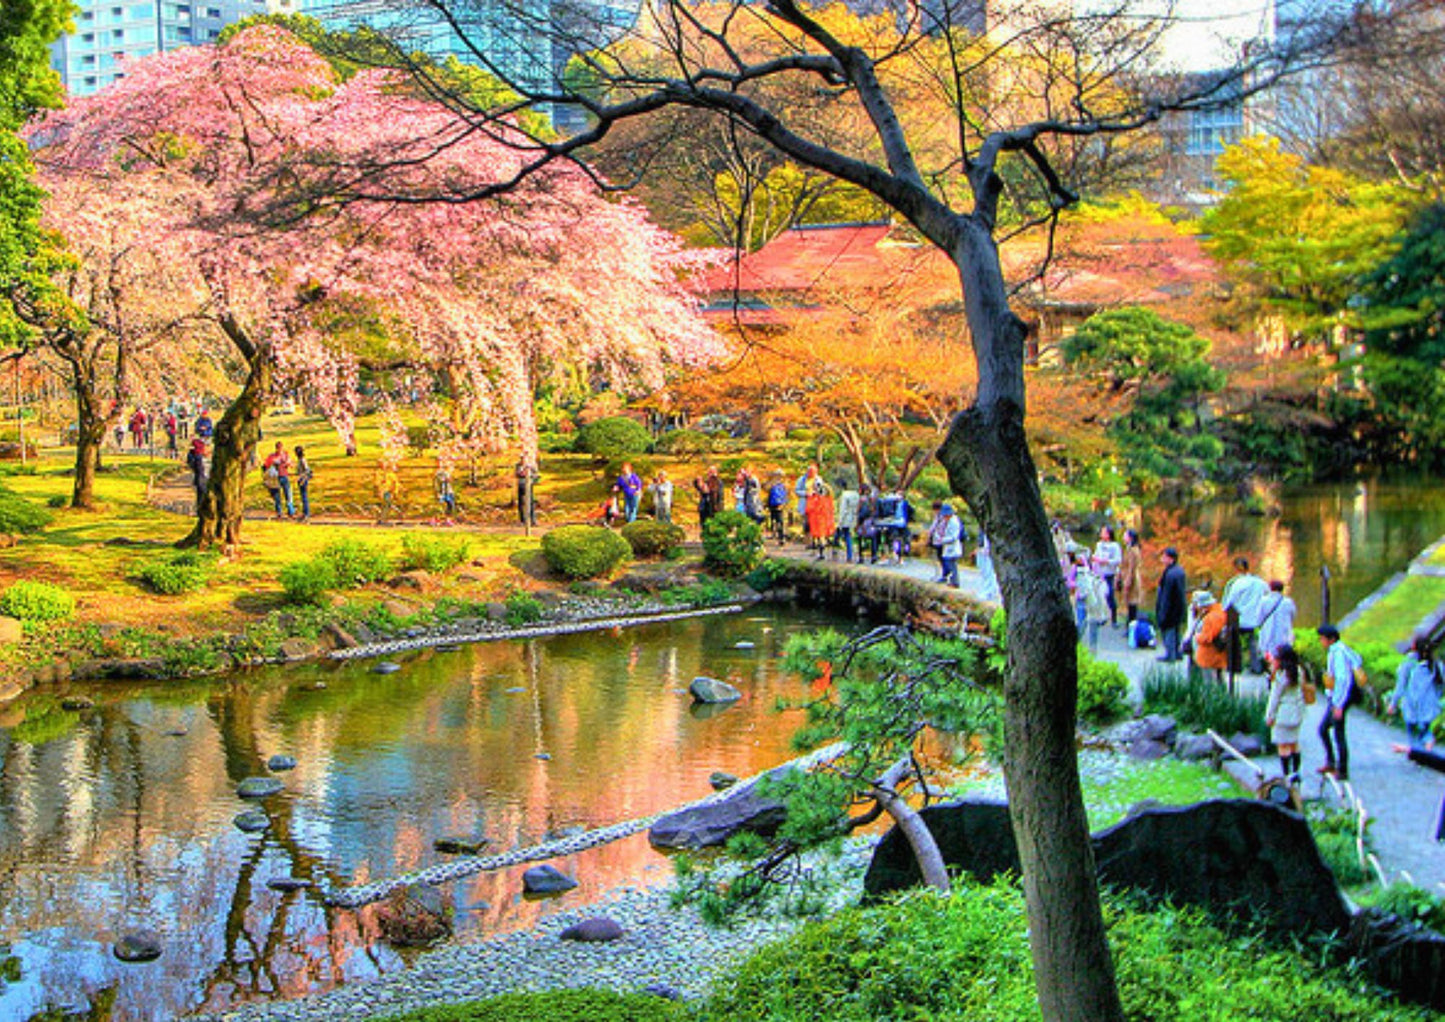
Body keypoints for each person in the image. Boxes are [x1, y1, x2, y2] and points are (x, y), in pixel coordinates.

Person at [1317, 624, 1363, 781]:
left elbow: (1343, 680)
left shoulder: (1338, 653)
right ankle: (1331, 762)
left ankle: (1341, 769)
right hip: (1337, 698)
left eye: (1322, 638)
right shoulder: (1340, 650)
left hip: (1339, 699)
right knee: (1325, 730)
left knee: (1337, 733)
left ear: (1330, 639)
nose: (1320, 641)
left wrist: (1338, 704)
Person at [1388, 635, 1441, 752]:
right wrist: (1436, 697)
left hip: (1412, 703)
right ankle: (1426, 746)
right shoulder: (1435, 663)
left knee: (1413, 730)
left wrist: (1393, 703)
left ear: (1414, 646)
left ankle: (1420, 752)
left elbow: (1401, 684)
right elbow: (1441, 684)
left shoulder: (1409, 662)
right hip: (1429, 704)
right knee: (1425, 729)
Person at [1265, 644, 1307, 783]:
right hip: (1297, 711)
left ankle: (1287, 774)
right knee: (1294, 743)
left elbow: (1274, 698)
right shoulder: (1299, 671)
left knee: (1283, 745)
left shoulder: (1280, 675)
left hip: (1283, 713)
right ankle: (1296, 772)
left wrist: (1269, 716)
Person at [1223, 557, 1270, 673]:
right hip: (1254, 620)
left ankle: (1235, 666)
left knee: (1234, 642)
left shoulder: (1236, 583)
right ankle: (1256, 667)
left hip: (1238, 619)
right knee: (1252, 643)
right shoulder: (1260, 582)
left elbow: (1229, 602)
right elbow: (1268, 595)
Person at [1155, 547, 1187, 662]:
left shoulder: (1170, 574)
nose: (1162, 559)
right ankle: (1177, 652)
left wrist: (1162, 611)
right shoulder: (1179, 571)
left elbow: (1166, 595)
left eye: (1164, 557)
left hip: (1170, 607)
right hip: (1178, 607)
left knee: (1168, 630)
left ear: (1171, 559)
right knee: (1176, 629)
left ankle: (1170, 654)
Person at [1190, 591, 1228, 684]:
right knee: (1219, 679)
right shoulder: (1220, 611)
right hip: (1218, 654)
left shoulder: (1211, 617)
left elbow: (1207, 638)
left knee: (1209, 682)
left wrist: (1197, 637)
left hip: (1209, 656)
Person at [1255, 579, 1297, 662]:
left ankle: (1272, 670)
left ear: (1270, 588)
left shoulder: (1264, 601)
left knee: (1269, 654)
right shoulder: (1288, 602)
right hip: (1284, 633)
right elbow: (1293, 615)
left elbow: (1258, 618)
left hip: (1268, 633)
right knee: (1282, 654)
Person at [1092, 525, 1123, 627]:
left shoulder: (1115, 546)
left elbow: (1118, 560)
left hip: (1110, 574)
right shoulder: (1099, 545)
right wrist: (1095, 560)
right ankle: (1102, 616)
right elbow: (1095, 556)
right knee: (1099, 596)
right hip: (1099, 573)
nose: (1101, 533)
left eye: (1104, 532)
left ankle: (1114, 619)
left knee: (1109, 595)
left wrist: (1107, 561)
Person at [1117, 528, 1144, 625]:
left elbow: (1131, 567)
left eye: (1125, 535)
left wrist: (1128, 581)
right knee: (1129, 602)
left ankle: (1132, 624)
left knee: (1132, 602)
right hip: (1127, 577)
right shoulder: (1128, 549)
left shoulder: (1133, 550)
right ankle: (1129, 623)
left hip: (1132, 579)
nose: (1124, 537)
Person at [262, 441, 294, 518]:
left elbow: (291, 464)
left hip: (284, 476)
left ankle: (290, 511)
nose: (279, 449)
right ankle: (279, 512)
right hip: (275, 478)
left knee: (288, 494)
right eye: (278, 448)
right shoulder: (272, 457)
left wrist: (287, 464)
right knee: (277, 496)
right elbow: (265, 466)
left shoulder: (285, 455)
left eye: (280, 448)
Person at [805, 478, 835, 560]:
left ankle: (821, 553)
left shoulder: (814, 498)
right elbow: (831, 509)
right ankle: (825, 550)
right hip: (825, 519)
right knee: (822, 536)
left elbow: (808, 509)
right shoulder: (828, 498)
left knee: (819, 536)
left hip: (817, 520)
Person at [1083, 568, 1110, 653]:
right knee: (1084, 623)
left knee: (1091, 622)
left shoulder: (1099, 577)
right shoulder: (1084, 570)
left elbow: (1105, 594)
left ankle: (1092, 647)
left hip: (1094, 605)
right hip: (1089, 602)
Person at [936, 503, 963, 587]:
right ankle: (952, 580)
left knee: (952, 565)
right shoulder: (948, 521)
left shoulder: (954, 522)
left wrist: (942, 540)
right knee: (949, 564)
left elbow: (954, 537)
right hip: (948, 547)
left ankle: (955, 582)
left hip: (952, 546)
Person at [835, 480, 860, 563]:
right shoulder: (856, 494)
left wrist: (839, 522)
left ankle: (848, 555)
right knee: (848, 535)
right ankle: (850, 554)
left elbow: (843, 510)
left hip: (845, 519)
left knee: (845, 536)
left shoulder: (844, 496)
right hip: (853, 518)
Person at [693, 466, 723, 530]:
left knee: (714, 526)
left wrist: (708, 490)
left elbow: (717, 493)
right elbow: (698, 487)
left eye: (713, 472)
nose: (711, 474)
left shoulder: (718, 482)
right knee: (704, 524)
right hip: (704, 507)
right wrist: (698, 481)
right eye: (710, 472)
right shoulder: (706, 482)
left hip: (714, 507)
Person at [975, 532, 1000, 601]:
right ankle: (989, 591)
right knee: (985, 573)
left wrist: (987, 548)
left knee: (989, 573)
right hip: (982, 551)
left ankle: (988, 592)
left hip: (987, 551)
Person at [186, 439, 208, 515]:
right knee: (202, 495)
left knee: (200, 495)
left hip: (199, 479)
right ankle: (202, 511)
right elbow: (201, 469)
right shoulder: (198, 457)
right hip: (202, 479)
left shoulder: (192, 455)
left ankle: (200, 511)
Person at [515, 459, 539, 528]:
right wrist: (521, 473)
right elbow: (516, 474)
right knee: (521, 503)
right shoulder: (518, 465)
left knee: (530, 502)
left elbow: (536, 474)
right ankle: (522, 520)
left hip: (529, 484)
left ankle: (532, 520)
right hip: (521, 485)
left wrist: (530, 474)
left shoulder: (532, 465)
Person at [765, 472, 788, 543]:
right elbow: (786, 495)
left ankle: (777, 535)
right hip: (780, 504)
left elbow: (766, 488)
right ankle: (781, 536)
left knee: (775, 520)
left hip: (773, 505)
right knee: (780, 521)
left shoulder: (772, 484)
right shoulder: (783, 484)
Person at [293, 445, 313, 522]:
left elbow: (307, 470)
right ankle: (304, 513)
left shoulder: (302, 460)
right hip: (300, 479)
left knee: (304, 497)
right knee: (303, 497)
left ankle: (306, 514)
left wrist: (303, 478)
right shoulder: (300, 460)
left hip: (303, 480)